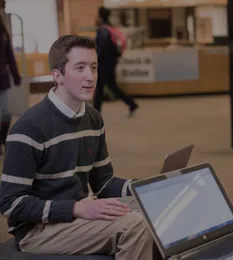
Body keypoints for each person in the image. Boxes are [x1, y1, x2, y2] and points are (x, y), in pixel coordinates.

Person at [0, 35, 154, 260]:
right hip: (39, 229)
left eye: (93, 67)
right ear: (58, 75)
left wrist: (146, 188)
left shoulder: (93, 119)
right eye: (80, 68)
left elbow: (104, 183)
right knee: (136, 226)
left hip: (80, 211)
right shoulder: (29, 128)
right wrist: (76, 209)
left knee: (155, 208)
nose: (90, 77)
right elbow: (10, 203)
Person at [93, 6, 139, 116]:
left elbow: (102, 47)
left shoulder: (103, 29)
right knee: (111, 86)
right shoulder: (109, 27)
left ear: (100, 15)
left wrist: (96, 59)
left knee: (99, 88)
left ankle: (95, 114)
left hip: (104, 63)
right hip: (110, 61)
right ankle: (131, 103)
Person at [0, 13, 21, 154]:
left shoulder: (3, 34)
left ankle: (1, 141)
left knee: (6, 113)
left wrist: (16, 76)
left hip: (2, 79)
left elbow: (10, 57)